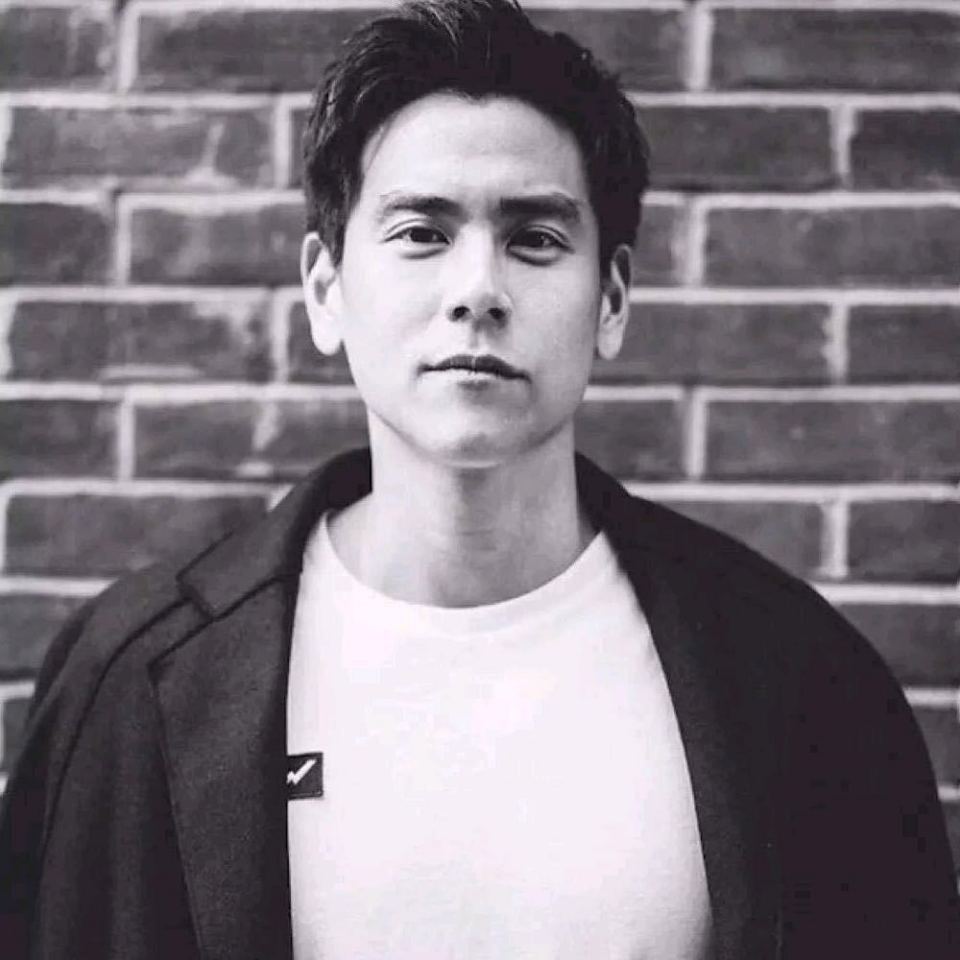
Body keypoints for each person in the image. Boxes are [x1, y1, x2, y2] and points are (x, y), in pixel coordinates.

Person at [1, 1, 957, 957]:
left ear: (612, 299)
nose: (477, 291)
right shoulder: (129, 680)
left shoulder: (800, 682)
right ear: (326, 289)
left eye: (534, 237)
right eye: (422, 232)